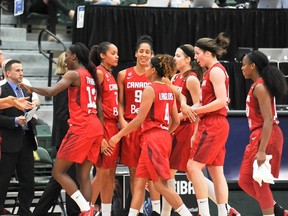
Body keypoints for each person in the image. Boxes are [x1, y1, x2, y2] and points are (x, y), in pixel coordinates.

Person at [20, 42, 104, 216]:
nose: (65, 58)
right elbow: (100, 107)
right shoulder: (90, 75)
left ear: (74, 56)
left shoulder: (74, 74)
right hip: (96, 127)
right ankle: (88, 210)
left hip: (82, 127)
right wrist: (101, 133)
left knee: (58, 172)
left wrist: (31, 88)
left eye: (66, 54)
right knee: (83, 176)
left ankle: (85, 209)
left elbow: (51, 92)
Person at [109, 54, 191, 216]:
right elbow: (175, 121)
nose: (145, 69)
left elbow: (139, 120)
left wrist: (118, 136)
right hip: (163, 137)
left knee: (160, 185)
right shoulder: (169, 89)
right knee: (139, 183)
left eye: (148, 67)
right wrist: (164, 133)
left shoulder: (150, 89)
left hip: (152, 138)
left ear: (153, 70)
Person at [239, 50, 288, 216]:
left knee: (260, 182)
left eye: (244, 64)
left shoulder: (260, 86)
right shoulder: (258, 85)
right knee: (245, 180)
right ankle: (278, 211)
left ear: (253, 66)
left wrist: (261, 150)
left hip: (266, 134)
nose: (242, 68)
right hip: (257, 135)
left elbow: (268, 120)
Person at [186, 32, 231, 216]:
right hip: (213, 123)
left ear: (207, 53)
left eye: (197, 53)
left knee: (192, 167)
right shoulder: (208, 72)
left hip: (214, 123)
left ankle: (204, 212)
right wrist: (187, 110)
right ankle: (223, 212)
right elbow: (203, 103)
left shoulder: (216, 71)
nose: (195, 57)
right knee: (216, 170)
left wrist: (195, 111)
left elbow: (222, 100)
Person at [117, 35, 161, 216]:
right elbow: (119, 102)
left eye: (147, 52)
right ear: (135, 53)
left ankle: (156, 211)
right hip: (131, 127)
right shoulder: (123, 74)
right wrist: (122, 122)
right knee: (134, 171)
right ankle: (140, 211)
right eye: (141, 51)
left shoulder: (156, 75)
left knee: (152, 173)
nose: (144, 55)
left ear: (152, 55)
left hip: (149, 129)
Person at [32, 52, 80, 216]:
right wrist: (72, 136)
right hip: (66, 137)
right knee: (68, 177)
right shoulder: (63, 83)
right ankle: (73, 212)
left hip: (70, 137)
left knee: (59, 178)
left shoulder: (70, 83)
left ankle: (39, 212)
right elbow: (61, 115)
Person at [0, 59, 38, 216]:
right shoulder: (2, 90)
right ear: (8, 73)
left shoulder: (26, 90)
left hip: (26, 140)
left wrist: (31, 114)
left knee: (28, 181)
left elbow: (33, 106)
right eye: (17, 70)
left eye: (22, 70)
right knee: (3, 180)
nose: (21, 73)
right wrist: (14, 121)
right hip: (9, 141)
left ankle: (24, 211)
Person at [89, 42, 120, 216]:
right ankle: (86, 210)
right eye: (113, 53)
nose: (117, 56)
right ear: (102, 55)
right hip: (104, 126)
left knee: (110, 174)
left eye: (117, 53)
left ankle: (106, 212)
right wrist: (100, 136)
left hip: (112, 126)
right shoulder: (100, 73)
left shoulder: (109, 74)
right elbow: (94, 104)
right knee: (101, 173)